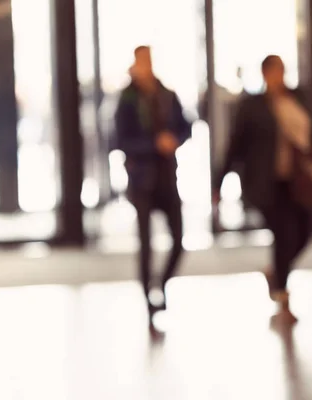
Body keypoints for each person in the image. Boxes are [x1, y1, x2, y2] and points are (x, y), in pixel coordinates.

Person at [213, 55, 312, 322]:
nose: (277, 77)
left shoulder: (299, 99)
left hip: (299, 181)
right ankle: (283, 299)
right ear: (264, 74)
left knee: (305, 231)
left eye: (281, 71)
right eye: (273, 72)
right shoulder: (253, 107)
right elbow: (234, 146)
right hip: (267, 184)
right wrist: (219, 183)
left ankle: (276, 271)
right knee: (283, 236)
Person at [114, 46, 192, 315]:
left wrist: (174, 140)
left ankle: (162, 282)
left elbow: (185, 126)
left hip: (167, 177)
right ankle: (148, 298)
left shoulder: (166, 94)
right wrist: (153, 144)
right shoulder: (127, 99)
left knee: (178, 238)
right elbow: (119, 140)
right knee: (146, 243)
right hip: (141, 179)